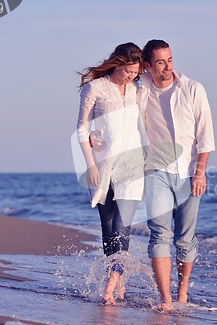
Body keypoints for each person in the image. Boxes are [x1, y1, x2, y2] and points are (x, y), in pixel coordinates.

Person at [139, 39, 215, 311]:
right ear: (147, 66)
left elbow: (205, 136)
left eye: (170, 59)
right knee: (159, 234)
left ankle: (182, 294)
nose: (167, 66)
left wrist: (200, 173)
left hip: (188, 173)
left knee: (185, 238)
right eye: (160, 62)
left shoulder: (193, 89)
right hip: (155, 171)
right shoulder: (140, 89)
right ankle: (166, 300)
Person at [76, 42, 147, 305]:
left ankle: (110, 286)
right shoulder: (95, 88)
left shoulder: (137, 88)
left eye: (135, 72)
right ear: (117, 63)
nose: (131, 76)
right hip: (102, 166)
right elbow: (82, 128)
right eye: (128, 71)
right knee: (107, 230)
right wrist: (90, 165)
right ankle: (118, 280)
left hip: (132, 165)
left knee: (121, 227)